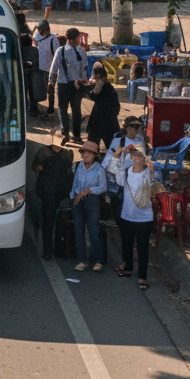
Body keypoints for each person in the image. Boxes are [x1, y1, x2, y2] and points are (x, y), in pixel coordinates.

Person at [115, 146, 156, 289]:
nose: (136, 157)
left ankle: (142, 276)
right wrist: (120, 155)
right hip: (127, 215)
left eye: (139, 155)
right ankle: (128, 268)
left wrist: (151, 170)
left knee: (142, 248)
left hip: (144, 218)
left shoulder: (148, 173)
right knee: (126, 244)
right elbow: (118, 176)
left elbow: (154, 186)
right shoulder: (126, 172)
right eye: (134, 155)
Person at [32, 129, 74, 259]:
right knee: (48, 221)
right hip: (47, 192)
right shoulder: (44, 152)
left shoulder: (68, 153)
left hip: (62, 192)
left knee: (62, 222)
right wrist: (45, 168)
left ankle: (60, 249)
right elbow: (35, 167)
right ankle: (47, 249)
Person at [102, 116, 147, 230]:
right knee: (116, 207)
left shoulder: (140, 141)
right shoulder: (118, 140)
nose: (134, 131)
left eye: (137, 128)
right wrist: (116, 155)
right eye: (131, 127)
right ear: (126, 128)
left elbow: (142, 161)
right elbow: (107, 161)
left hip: (130, 181)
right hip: (115, 179)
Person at [70, 140, 107, 271]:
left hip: (92, 201)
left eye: (89, 153)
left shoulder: (99, 169)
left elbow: (102, 187)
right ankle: (82, 260)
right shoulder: (78, 166)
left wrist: (86, 191)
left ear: (95, 155)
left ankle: (98, 260)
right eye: (83, 152)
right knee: (78, 231)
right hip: (78, 201)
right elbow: (74, 183)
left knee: (93, 231)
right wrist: (74, 196)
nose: (85, 155)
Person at [49, 28, 89, 144]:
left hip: (72, 84)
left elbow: (53, 68)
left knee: (72, 110)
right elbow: (54, 68)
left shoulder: (80, 51)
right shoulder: (63, 51)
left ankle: (71, 134)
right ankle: (68, 134)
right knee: (66, 110)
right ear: (76, 38)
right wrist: (50, 81)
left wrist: (50, 81)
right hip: (65, 84)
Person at [83, 63, 121, 149]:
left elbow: (94, 95)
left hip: (105, 120)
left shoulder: (104, 87)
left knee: (110, 146)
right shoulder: (106, 86)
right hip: (104, 119)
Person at [32, 20, 57, 116]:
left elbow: (56, 55)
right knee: (39, 87)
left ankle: (51, 107)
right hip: (40, 68)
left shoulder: (53, 40)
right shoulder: (38, 37)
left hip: (50, 69)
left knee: (50, 89)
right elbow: (35, 40)